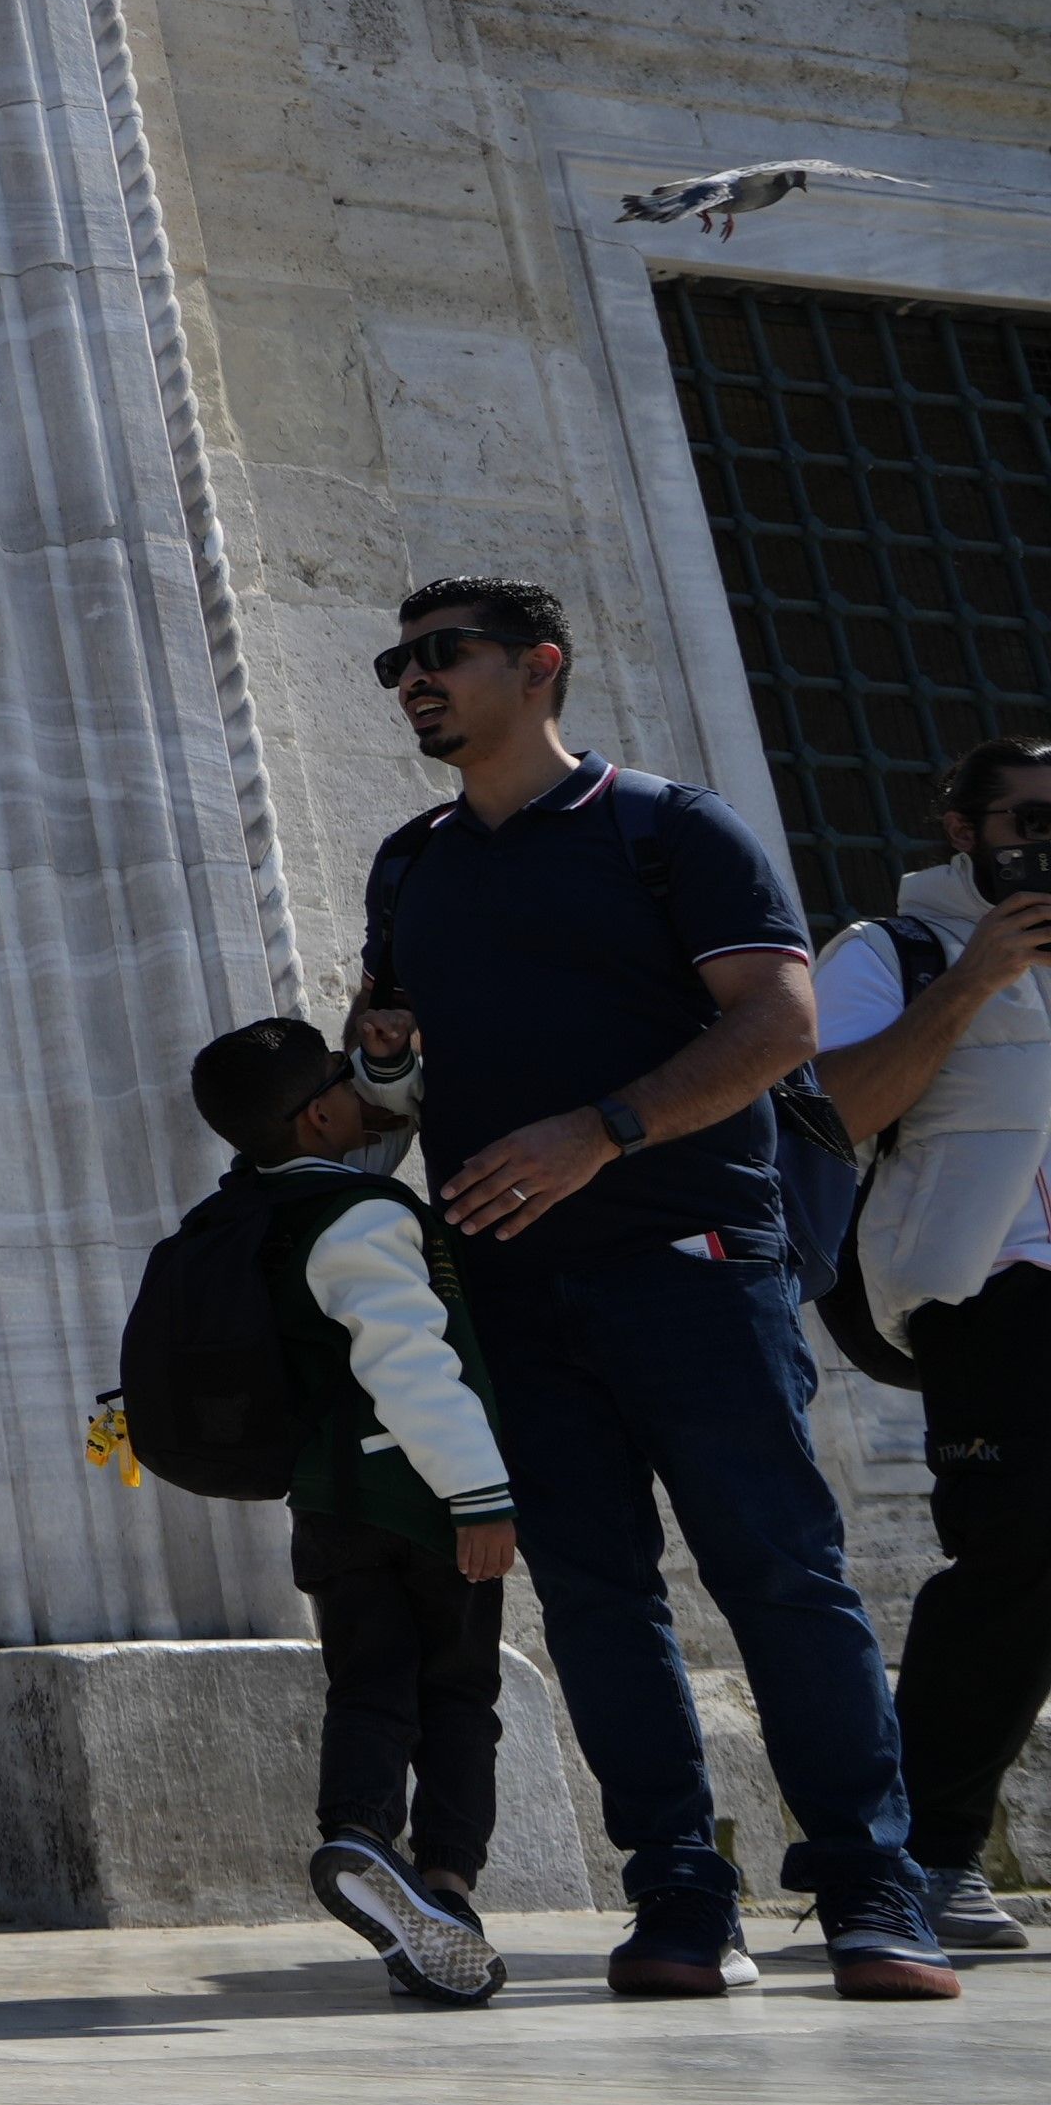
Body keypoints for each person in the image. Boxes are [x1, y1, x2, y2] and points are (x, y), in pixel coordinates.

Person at [357, 577, 953, 1998]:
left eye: (444, 655)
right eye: (398, 662)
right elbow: (394, 1073)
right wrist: (381, 1060)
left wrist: (603, 1129)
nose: (412, 681)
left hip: (693, 1261)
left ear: (541, 668)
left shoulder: (669, 829)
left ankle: (874, 1887)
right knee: (594, 1597)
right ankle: (681, 1893)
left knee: (780, 1573)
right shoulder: (409, 863)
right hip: (512, 1287)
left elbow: (780, 1020)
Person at [186, 1017, 520, 2005]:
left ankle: (360, 1834)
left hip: (325, 1504)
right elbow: (413, 1367)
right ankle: (448, 1888)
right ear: (320, 1112)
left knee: (371, 1683)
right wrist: (482, 1497)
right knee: (458, 1693)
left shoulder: (250, 1211)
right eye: (344, 1082)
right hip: (423, 1498)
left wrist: (380, 1063)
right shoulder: (365, 1218)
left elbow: (355, 1144)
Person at [811, 733, 1051, 1955]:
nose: (1045, 846)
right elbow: (828, 1114)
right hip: (995, 1299)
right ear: (964, 831)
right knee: (1016, 1565)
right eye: (1027, 822)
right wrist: (970, 987)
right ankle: (925, 1856)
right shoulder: (891, 951)